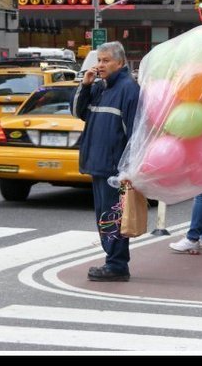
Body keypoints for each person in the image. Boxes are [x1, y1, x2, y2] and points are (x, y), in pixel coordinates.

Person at [71, 41, 140, 282]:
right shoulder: (100, 88)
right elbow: (78, 113)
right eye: (98, 60)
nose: (100, 65)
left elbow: (134, 132)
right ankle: (113, 261)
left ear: (119, 63)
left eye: (105, 60)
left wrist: (129, 167)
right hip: (98, 163)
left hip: (114, 169)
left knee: (113, 216)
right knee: (104, 216)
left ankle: (117, 264)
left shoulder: (128, 89)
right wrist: (85, 85)